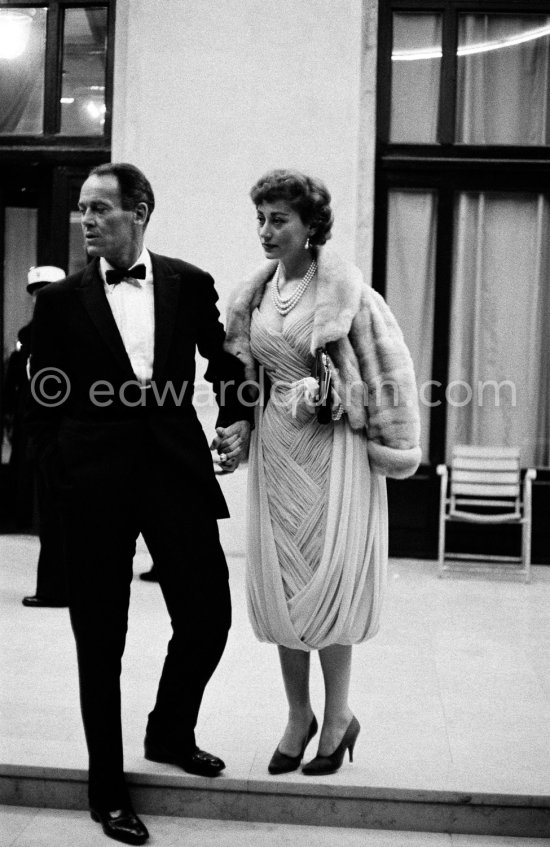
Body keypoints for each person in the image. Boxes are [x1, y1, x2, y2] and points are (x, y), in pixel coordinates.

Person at [27, 162, 251, 845]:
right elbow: (44, 393)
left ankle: (169, 730)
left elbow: (227, 359)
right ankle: (107, 787)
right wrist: (57, 478)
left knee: (209, 611)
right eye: (83, 211)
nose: (86, 220)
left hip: (175, 470)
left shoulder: (188, 283)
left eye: (99, 209)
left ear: (140, 210)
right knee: (101, 639)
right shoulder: (62, 301)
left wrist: (236, 415)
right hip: (92, 483)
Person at [222, 169, 421, 777]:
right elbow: (242, 381)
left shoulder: (350, 294)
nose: (266, 231)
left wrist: (335, 392)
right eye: (261, 218)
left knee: (328, 577)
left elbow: (388, 374)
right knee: (281, 581)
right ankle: (297, 714)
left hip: (334, 453)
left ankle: (337, 716)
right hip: (278, 451)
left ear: (312, 227)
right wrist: (241, 427)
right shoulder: (253, 295)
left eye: (279, 219)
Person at [4, 266, 69, 607]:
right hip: (40, 434)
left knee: (59, 514)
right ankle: (56, 586)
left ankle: (57, 588)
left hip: (61, 436)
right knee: (50, 511)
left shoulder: (67, 332)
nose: (40, 299)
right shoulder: (29, 336)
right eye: (36, 293)